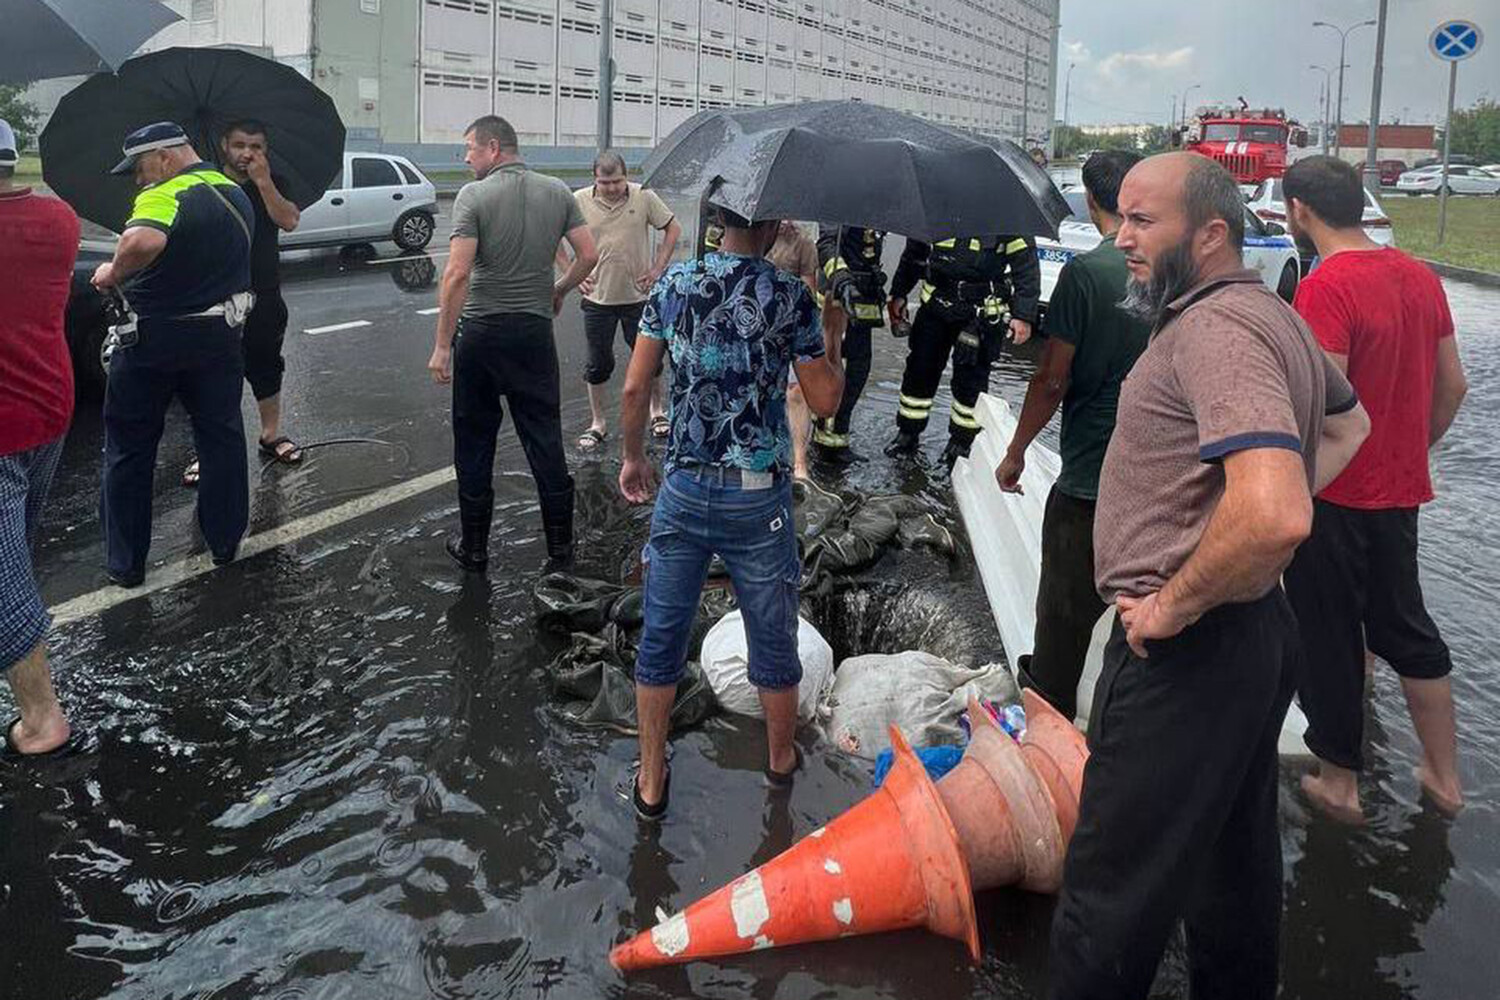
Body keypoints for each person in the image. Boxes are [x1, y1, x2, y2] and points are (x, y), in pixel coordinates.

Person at [1047, 153, 1369, 1000]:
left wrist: (1170, 604)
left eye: (1144, 221)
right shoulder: (1267, 312)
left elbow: (1275, 513)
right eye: (1120, 218)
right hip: (1253, 638)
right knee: (1232, 872)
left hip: (1186, 655)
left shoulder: (1217, 332)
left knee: (1107, 902)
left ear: (1213, 232)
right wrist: (1228, 533)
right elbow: (1351, 428)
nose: (1123, 240)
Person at [618, 209, 846, 821]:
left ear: (717, 225)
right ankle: (779, 768)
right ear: (771, 229)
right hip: (758, 497)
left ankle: (650, 779)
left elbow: (636, 389)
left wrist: (634, 458)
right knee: (772, 637)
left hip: (685, 487)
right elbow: (822, 400)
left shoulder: (674, 285)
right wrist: (834, 332)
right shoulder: (790, 295)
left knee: (662, 634)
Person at [1281, 154, 1468, 821]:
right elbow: (1454, 386)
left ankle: (1340, 784)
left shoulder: (1326, 286)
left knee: (1326, 632)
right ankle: (1444, 778)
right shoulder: (1418, 274)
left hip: (1335, 495)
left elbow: (1322, 408)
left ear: (1299, 211)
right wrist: (1411, 452)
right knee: (1405, 625)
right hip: (1400, 493)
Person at [995, 150, 1147, 722]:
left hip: (1089, 476)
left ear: (1091, 200)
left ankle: (1048, 723)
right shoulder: (1178, 272)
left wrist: (1014, 453)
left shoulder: (1087, 275)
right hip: (1158, 482)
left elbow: (1051, 379)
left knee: (1063, 610)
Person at [428, 115, 597, 573]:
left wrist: (443, 344)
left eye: (470, 149)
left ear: (494, 148)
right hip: (532, 333)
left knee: (475, 439)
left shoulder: (474, 196)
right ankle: (561, 549)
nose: (466, 159)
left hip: (481, 334)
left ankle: (475, 548)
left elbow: (458, 274)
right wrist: (559, 289)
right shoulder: (559, 191)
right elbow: (588, 255)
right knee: (544, 436)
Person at [93, 122, 255, 588]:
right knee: (220, 437)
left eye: (139, 168)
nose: (138, 180)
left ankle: (126, 564)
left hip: (152, 342)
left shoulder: (166, 191)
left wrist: (111, 271)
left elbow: (143, 241)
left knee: (130, 446)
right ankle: (224, 543)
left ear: (164, 157)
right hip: (220, 337)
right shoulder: (233, 192)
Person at [0, 118, 77, 756]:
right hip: (49, 403)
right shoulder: (60, 220)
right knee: (15, 547)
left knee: (3, 574)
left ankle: (42, 718)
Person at [178, 120, 303, 488]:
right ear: (223, 146)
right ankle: (208, 449)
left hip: (263, 294)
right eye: (239, 145)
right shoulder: (204, 183)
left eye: (256, 146)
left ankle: (270, 435)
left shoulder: (275, 182)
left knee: (266, 364)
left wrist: (264, 183)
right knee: (213, 375)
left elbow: (290, 220)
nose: (247, 153)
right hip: (214, 298)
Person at [886, 228, 1040, 466]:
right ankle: (907, 434)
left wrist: (1024, 315)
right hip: (935, 308)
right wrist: (899, 292)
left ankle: (961, 445)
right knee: (919, 372)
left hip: (979, 317)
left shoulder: (1007, 218)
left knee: (971, 383)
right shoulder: (937, 209)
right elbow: (914, 256)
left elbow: (1026, 268)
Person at [561, 149, 680, 450]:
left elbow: (672, 228)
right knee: (597, 364)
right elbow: (555, 239)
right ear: (594, 179)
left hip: (638, 297)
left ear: (627, 177)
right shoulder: (578, 201)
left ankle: (657, 412)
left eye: (617, 181)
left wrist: (657, 268)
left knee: (651, 361)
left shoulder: (643, 196)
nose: (612, 188)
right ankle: (597, 422)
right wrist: (572, 274)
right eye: (605, 182)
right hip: (597, 299)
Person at [813, 225, 889, 464]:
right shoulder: (842, 200)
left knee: (858, 369)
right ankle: (826, 441)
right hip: (838, 300)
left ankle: (837, 436)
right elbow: (826, 246)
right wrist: (843, 281)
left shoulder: (874, 208)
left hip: (863, 296)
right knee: (835, 367)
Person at [766, 220, 820, 481]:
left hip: (790, 325)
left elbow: (808, 287)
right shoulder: (753, 234)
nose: (785, 221)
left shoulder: (803, 242)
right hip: (757, 326)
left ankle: (799, 460)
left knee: (796, 392)